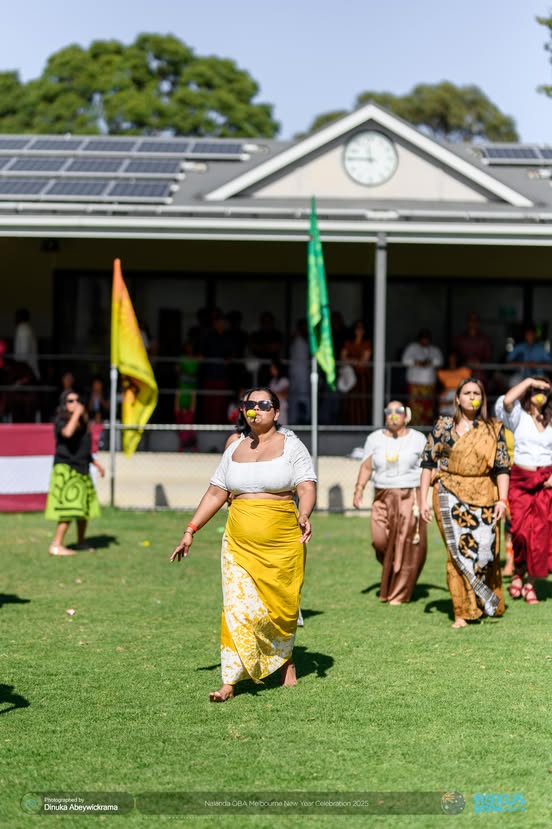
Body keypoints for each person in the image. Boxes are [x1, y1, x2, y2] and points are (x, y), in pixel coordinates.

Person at [170, 387, 317, 702]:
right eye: (249, 404)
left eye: (264, 404)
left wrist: (304, 514)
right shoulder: (234, 448)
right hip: (238, 543)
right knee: (237, 608)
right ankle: (229, 681)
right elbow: (215, 493)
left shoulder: (292, 446)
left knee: (280, 609)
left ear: (276, 412)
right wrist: (191, 529)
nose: (256, 409)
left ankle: (285, 662)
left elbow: (306, 485)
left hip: (282, 542)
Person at [420, 378, 510, 628]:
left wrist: (503, 499)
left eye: (477, 393)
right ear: (457, 398)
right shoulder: (443, 426)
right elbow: (427, 463)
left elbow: (503, 467)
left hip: (485, 493)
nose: (472, 396)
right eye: (467, 393)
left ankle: (484, 602)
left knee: (485, 552)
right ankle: (461, 611)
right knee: (457, 553)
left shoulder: (493, 429)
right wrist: (422, 501)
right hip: (448, 493)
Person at [353, 401, 427, 604]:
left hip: (408, 495)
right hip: (382, 495)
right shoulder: (374, 438)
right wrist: (359, 489)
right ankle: (393, 566)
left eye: (398, 411)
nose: (393, 415)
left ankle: (399, 593)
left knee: (406, 543)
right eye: (389, 411)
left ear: (407, 416)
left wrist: (424, 500)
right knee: (380, 540)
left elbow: (429, 469)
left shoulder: (418, 439)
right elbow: (367, 467)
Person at [495, 376, 552, 604]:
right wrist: (529, 381)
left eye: (545, 391)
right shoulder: (518, 415)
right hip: (520, 479)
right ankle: (519, 569)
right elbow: (507, 400)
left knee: (540, 533)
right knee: (518, 531)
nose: (541, 394)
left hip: (546, 480)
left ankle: (530, 583)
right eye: (536, 390)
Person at [45, 390, 105, 556]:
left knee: (83, 509)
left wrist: (95, 462)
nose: (75, 403)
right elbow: (67, 433)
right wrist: (77, 414)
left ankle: (80, 542)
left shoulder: (82, 422)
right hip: (67, 469)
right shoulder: (62, 420)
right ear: (64, 403)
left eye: (78, 400)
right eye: (71, 401)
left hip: (82, 468)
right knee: (69, 508)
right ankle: (56, 545)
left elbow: (83, 448)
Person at [402, 329, 443, 425]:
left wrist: (430, 362)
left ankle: (427, 427)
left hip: (429, 385)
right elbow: (405, 360)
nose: (425, 340)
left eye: (427, 338)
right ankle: (413, 427)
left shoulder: (434, 350)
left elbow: (440, 361)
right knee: (414, 408)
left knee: (428, 408)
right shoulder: (412, 348)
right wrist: (417, 362)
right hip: (415, 384)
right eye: (423, 338)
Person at [340, 320, 372, 425]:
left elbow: (363, 362)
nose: (359, 331)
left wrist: (351, 360)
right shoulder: (348, 343)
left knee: (362, 402)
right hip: (350, 376)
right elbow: (343, 358)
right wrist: (355, 361)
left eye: (361, 329)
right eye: (357, 328)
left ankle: (361, 423)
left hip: (362, 377)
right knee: (350, 402)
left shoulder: (366, 343)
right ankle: (349, 423)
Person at [454, 311, 492, 382]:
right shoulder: (460, 339)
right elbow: (455, 357)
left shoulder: (484, 339)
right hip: (462, 372)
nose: (473, 322)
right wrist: (466, 361)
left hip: (480, 374)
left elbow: (489, 357)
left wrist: (478, 362)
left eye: (475, 320)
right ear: (467, 321)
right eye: (471, 320)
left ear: (478, 322)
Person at [437, 352, 471, 416]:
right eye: (450, 359)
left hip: (460, 396)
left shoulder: (464, 371)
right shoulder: (442, 372)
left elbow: (468, 385)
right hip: (446, 397)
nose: (452, 361)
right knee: (446, 419)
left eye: (454, 359)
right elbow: (439, 388)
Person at [14, 308, 39, 380]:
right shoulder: (28, 328)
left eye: (16, 316)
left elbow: (24, 351)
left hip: (26, 368)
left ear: (20, 317)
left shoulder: (22, 328)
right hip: (28, 366)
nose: (14, 319)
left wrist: (19, 366)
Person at [268, 359, 289, 424]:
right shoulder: (272, 381)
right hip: (272, 407)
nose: (271, 370)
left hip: (281, 407)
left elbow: (286, 395)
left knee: (281, 427)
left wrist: (273, 393)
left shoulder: (284, 380)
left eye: (273, 368)